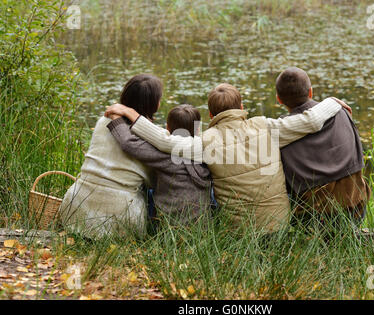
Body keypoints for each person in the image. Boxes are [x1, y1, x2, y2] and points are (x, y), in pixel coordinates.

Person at [105, 83, 349, 234]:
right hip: (279, 228)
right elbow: (311, 121)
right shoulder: (267, 127)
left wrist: (131, 114)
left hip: (239, 233)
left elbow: (164, 141)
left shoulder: (206, 142)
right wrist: (330, 103)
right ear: (241, 106)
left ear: (211, 114)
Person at [59, 74, 162, 238]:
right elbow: (153, 182)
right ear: (154, 105)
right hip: (120, 220)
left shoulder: (104, 121)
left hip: (75, 209)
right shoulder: (150, 137)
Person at [276, 67, 371, 225]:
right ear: (311, 92)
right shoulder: (342, 112)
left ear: (279, 99)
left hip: (311, 221)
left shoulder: (280, 133)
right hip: (355, 212)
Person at [106, 104, 212, 227]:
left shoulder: (164, 155)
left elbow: (129, 143)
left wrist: (116, 119)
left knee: (146, 190)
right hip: (202, 228)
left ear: (167, 127)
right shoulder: (206, 150)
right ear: (197, 129)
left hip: (169, 227)